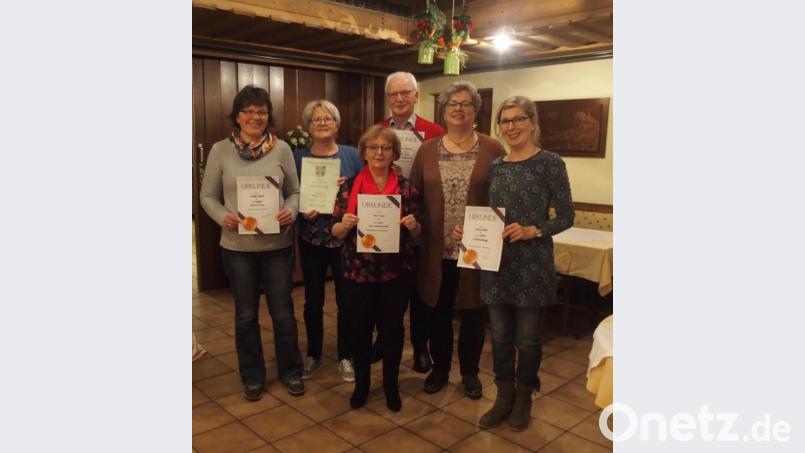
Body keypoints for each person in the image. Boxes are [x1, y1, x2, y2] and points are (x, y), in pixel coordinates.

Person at [462, 95, 574, 431]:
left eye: (518, 119)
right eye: (505, 121)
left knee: (528, 340)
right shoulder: (497, 165)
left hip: (533, 264)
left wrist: (533, 229)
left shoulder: (550, 163)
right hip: (496, 266)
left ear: (533, 122)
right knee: (499, 337)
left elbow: (567, 215)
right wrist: (470, 231)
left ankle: (523, 397)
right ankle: (503, 397)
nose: (511, 126)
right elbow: (489, 216)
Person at [200, 85, 305, 401]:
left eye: (261, 111)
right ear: (237, 116)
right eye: (248, 111)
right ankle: (253, 376)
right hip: (237, 248)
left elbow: (294, 192)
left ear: (268, 115)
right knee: (245, 315)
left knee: (283, 313)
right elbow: (207, 196)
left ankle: (291, 371)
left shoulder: (282, 149)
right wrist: (223, 217)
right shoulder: (220, 150)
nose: (255, 117)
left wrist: (292, 210)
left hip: (277, 247)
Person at [409, 81, 505, 400]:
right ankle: (439, 369)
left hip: (476, 251)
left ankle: (470, 373)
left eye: (465, 103)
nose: (458, 108)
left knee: (474, 315)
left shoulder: (493, 150)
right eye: (453, 103)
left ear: (475, 110)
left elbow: (502, 198)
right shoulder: (427, 150)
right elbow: (414, 197)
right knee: (439, 312)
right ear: (444, 109)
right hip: (436, 252)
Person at [331, 125, 422, 412]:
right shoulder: (348, 187)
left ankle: (391, 387)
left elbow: (420, 234)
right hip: (358, 273)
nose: (379, 152)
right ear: (364, 153)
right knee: (359, 330)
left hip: (397, 273)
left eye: (385, 148)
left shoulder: (407, 189)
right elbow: (335, 232)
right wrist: (343, 226)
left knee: (393, 331)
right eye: (373, 147)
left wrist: (413, 225)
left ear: (395, 153)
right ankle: (362, 385)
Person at [378, 71, 445, 373]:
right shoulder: (378, 130)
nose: (400, 98)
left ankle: (421, 346)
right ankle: (384, 340)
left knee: (420, 290)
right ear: (388, 98)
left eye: (406, 92)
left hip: (421, 222)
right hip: (383, 223)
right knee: (386, 287)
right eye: (394, 94)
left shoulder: (435, 131)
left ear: (416, 96)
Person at [293, 100, 363, 383]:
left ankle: (345, 355)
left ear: (337, 124)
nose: (322, 123)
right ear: (309, 126)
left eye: (328, 118)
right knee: (313, 300)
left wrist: (347, 199)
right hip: (311, 237)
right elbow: (289, 191)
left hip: (343, 239)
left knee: (347, 301)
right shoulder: (297, 157)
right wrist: (300, 206)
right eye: (316, 119)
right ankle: (314, 354)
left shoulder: (351, 155)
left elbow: (363, 189)